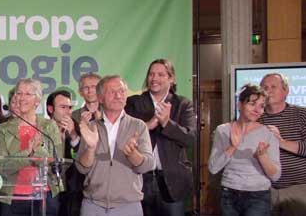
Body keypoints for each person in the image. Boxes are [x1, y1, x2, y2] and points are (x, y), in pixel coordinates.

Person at [124, 59, 196, 216]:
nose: (154, 78)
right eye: (151, 74)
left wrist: (166, 123)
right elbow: (123, 134)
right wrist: (148, 125)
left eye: (160, 74)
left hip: (172, 182)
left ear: (171, 79)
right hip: (140, 178)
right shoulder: (133, 103)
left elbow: (190, 138)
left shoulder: (183, 104)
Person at [75, 75, 154, 216]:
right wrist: (91, 149)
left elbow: (147, 166)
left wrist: (133, 154)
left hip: (129, 206)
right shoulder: (91, 127)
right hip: (93, 205)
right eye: (112, 92)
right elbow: (82, 168)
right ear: (100, 98)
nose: (118, 96)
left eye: (122, 91)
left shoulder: (138, 125)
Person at [208, 84, 280, 216]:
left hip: (258, 195)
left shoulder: (268, 133)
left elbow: (275, 175)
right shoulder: (223, 130)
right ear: (240, 105)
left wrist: (262, 157)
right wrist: (232, 147)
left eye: (262, 106)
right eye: (253, 104)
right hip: (228, 194)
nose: (257, 109)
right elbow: (213, 168)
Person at [0, 78, 64, 216]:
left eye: (27, 94)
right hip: (13, 197)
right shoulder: (4, 129)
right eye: (19, 93)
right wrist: (28, 153)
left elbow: (56, 164)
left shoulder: (49, 127)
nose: (21, 98)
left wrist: (37, 150)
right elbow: (3, 167)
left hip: (45, 196)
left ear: (37, 101)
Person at [257, 73, 306, 216]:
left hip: (298, 190)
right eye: (265, 87)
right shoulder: (255, 117)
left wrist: (281, 142)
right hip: (262, 191)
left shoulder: (301, 114)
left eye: (273, 87)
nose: (268, 91)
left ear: (286, 91)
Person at [45, 90, 83, 216]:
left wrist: (72, 134)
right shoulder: (42, 129)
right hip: (50, 190)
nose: (68, 111)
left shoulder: (78, 128)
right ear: (50, 109)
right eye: (63, 107)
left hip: (73, 190)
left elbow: (83, 156)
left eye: (70, 107)